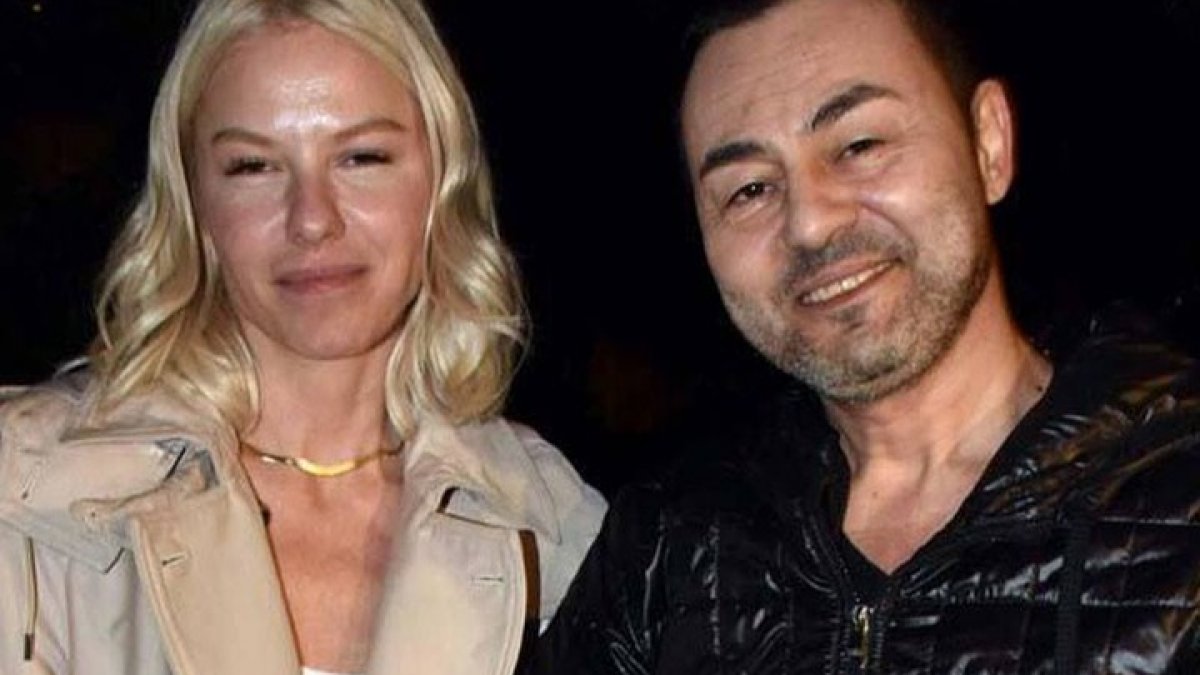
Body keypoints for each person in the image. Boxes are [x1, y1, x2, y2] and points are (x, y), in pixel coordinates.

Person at [534, 0, 1200, 672]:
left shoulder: (1176, 491)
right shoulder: (668, 544)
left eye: (859, 146)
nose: (810, 224)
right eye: (750, 189)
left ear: (988, 143)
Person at [0, 0, 605, 673]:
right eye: (253, 166)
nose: (312, 219)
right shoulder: (23, 496)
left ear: (442, 179)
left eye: (362, 157)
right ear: (194, 203)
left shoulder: (559, 533)